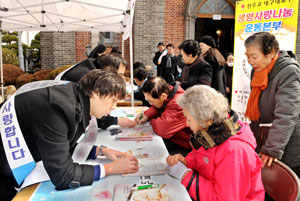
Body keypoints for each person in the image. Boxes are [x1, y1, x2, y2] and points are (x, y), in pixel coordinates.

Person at [0, 70, 139, 201]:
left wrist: (101, 151)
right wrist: (110, 168)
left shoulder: (73, 98)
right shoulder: (56, 108)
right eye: (113, 100)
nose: (114, 107)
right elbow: (63, 176)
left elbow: (60, 143)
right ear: (95, 93)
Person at [166, 85, 265, 201]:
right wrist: (186, 162)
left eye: (189, 119)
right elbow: (201, 158)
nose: (187, 124)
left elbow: (224, 199)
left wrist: (185, 175)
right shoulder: (213, 133)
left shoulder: (234, 151)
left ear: (207, 120)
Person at [244, 32, 300, 176]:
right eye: (248, 56)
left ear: (271, 53)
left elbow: (287, 114)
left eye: (254, 56)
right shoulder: (256, 71)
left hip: (284, 145)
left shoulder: (288, 71)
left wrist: (272, 148)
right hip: (263, 139)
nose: (250, 61)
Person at [57, 53, 136, 129]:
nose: (122, 78)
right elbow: (94, 111)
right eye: (120, 74)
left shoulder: (91, 68)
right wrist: (115, 120)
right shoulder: (87, 77)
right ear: (109, 69)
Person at [134, 77, 192, 156]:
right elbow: (158, 107)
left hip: (183, 145)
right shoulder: (168, 94)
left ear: (163, 96)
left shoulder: (178, 102)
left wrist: (152, 121)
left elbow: (162, 129)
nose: (150, 104)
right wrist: (147, 115)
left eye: (151, 101)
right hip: (174, 139)